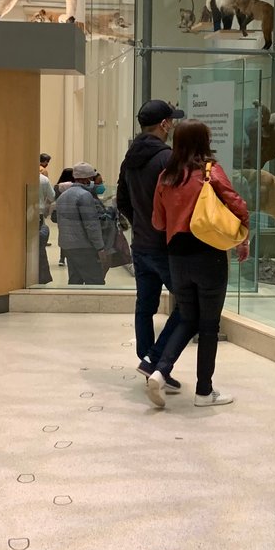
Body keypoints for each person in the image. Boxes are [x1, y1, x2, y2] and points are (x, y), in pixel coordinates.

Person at [149, 120, 250, 409]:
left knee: (187, 317)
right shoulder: (210, 171)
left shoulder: (166, 177)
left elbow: (158, 222)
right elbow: (237, 205)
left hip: (177, 257)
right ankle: (204, 392)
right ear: (204, 141)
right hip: (208, 255)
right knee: (208, 326)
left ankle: (160, 371)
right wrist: (242, 238)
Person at [117, 99, 189, 395]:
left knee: (145, 306)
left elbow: (122, 200)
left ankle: (147, 358)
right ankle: (155, 361)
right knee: (188, 304)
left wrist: (141, 224)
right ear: (164, 124)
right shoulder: (167, 158)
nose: (172, 125)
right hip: (165, 246)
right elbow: (177, 203)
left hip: (141, 244)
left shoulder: (130, 158)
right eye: (171, 121)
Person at [53, 162, 107, 285]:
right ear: (87, 179)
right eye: (92, 178)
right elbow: (91, 225)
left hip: (67, 245)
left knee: (75, 281)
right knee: (95, 281)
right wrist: (100, 247)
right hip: (84, 246)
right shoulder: (84, 196)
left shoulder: (63, 195)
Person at [37, 165, 55, 286]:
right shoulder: (43, 179)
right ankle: (42, 276)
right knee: (39, 247)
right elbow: (52, 196)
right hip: (38, 215)